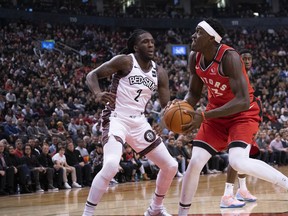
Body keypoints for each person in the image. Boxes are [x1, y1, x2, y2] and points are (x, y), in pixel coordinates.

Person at [177, 18, 288, 216]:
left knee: (238, 162)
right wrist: (182, 108)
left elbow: (243, 101)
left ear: (212, 38)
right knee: (194, 163)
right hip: (215, 116)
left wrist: (203, 115)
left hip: (242, 114)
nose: (193, 35)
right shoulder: (194, 57)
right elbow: (193, 94)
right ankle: (182, 213)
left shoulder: (230, 57)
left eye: (198, 32)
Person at [83, 29, 178, 216]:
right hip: (116, 118)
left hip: (139, 122)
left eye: (152, 41)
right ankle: (87, 213)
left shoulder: (160, 72)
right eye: (145, 42)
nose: (150, 45)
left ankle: (155, 208)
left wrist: (170, 120)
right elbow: (91, 76)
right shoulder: (125, 61)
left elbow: (167, 106)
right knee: (111, 165)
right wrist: (97, 93)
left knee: (171, 166)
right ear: (135, 46)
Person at [221, 49, 257, 208]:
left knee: (243, 158)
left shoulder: (247, 76)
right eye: (244, 59)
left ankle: (242, 189)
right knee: (236, 158)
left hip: (246, 120)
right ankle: (227, 194)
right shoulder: (234, 75)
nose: (247, 61)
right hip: (235, 120)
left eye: (249, 58)